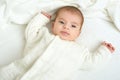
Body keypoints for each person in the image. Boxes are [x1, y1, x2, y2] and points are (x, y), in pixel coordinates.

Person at [0, 6, 115, 80]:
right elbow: (31, 31)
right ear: (53, 25)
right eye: (61, 22)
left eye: (73, 26)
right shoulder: (44, 35)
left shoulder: (79, 52)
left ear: (78, 33)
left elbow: (92, 62)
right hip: (16, 72)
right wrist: (41, 18)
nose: (66, 27)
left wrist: (104, 51)